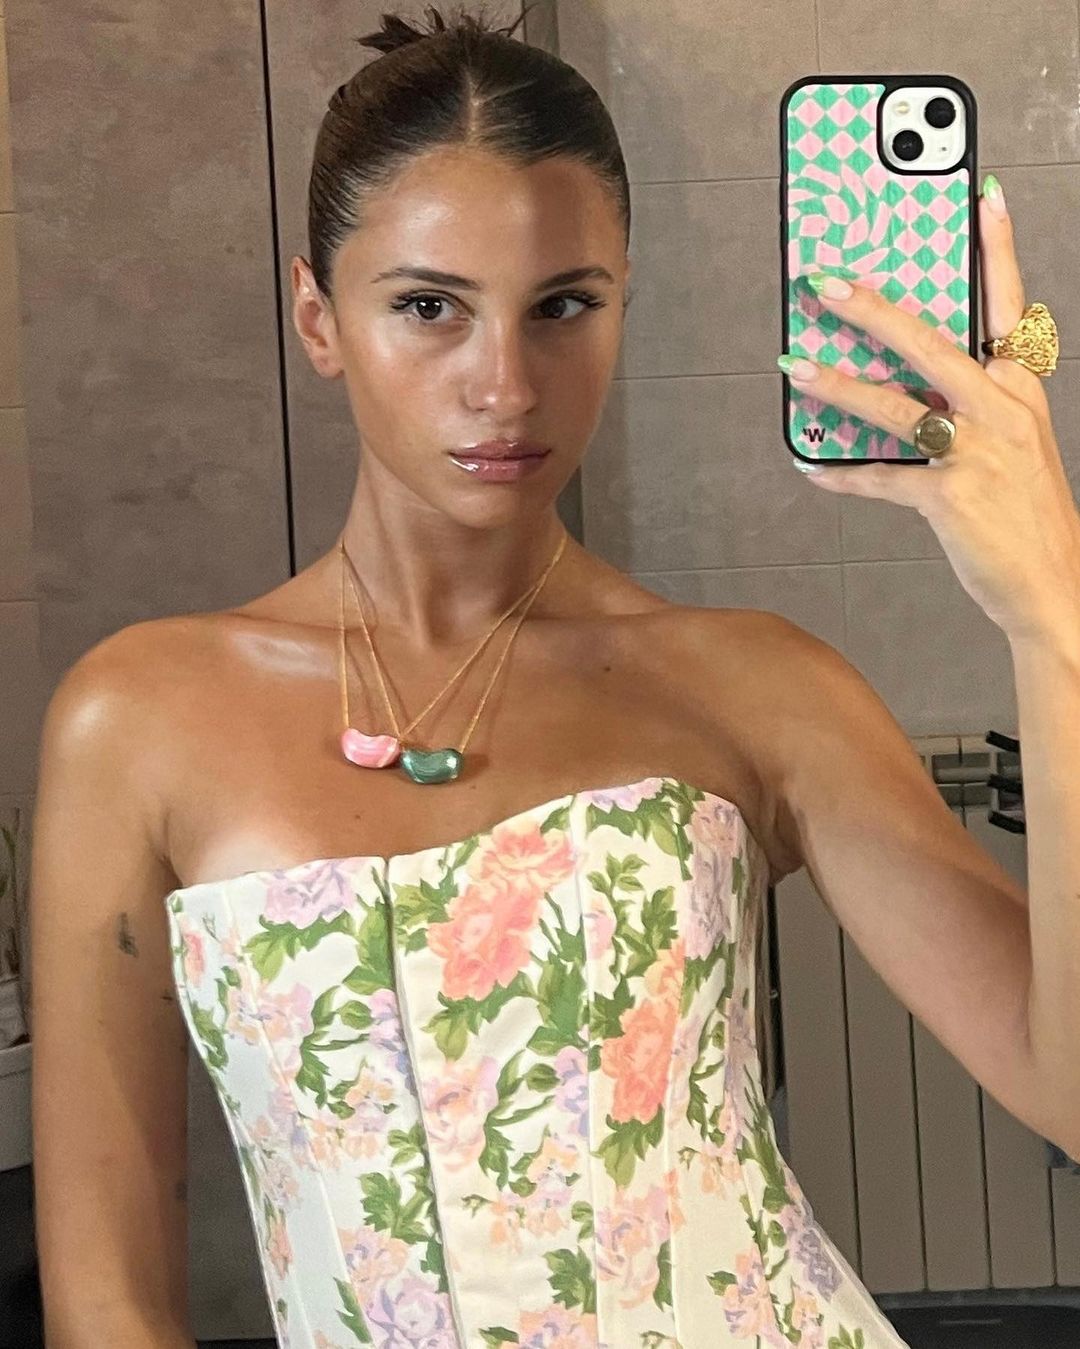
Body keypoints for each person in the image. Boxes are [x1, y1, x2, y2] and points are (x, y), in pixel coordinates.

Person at [29, 5, 939, 1345]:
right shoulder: (136, 720)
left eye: (563, 305)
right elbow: (107, 1299)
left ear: (621, 303)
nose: (505, 386)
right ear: (318, 317)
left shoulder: (756, 685)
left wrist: (1046, 596)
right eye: (428, 307)